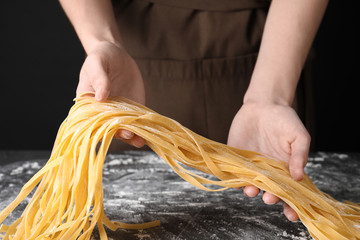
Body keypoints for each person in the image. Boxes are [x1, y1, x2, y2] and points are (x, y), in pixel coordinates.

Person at [59, 0, 328, 222]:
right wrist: (102, 41)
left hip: (272, 49)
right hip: (129, 65)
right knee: (130, 205)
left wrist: (270, 97)